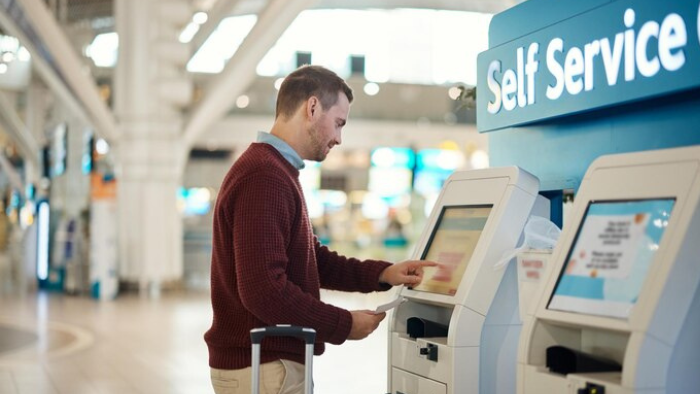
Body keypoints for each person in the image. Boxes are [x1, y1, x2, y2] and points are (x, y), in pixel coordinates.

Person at [204, 65, 436, 394]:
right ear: (312, 108)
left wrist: (384, 274)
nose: (339, 138)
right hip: (263, 364)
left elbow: (314, 259)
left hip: (267, 361)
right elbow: (264, 290)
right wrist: (344, 324)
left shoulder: (276, 171)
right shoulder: (265, 176)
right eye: (338, 123)